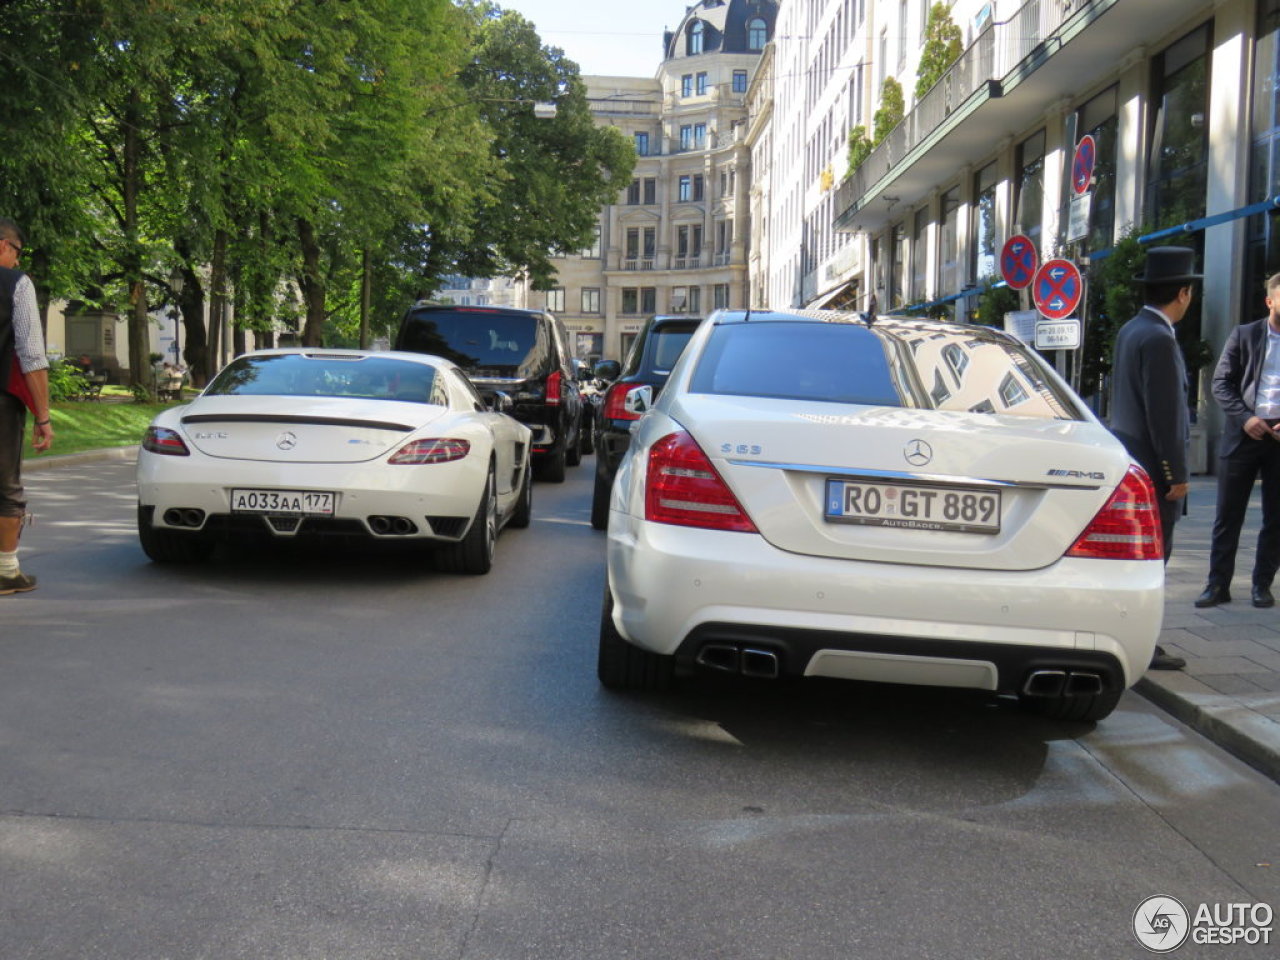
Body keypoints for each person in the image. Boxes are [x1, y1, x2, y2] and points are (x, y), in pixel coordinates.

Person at [1109, 246, 1202, 670]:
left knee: (1137, 560)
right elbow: (1164, 415)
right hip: (1154, 470)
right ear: (1183, 293)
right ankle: (1144, 644)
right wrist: (1175, 474)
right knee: (1153, 560)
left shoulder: (1133, 329)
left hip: (1134, 461)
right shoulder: (1160, 338)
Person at [1194, 272, 1280, 609]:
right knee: (1228, 515)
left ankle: (1262, 585)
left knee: (1276, 517)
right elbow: (1221, 384)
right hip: (1244, 433)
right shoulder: (1245, 335)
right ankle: (1217, 585)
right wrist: (1247, 419)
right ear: (1270, 301)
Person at [0, 217, 53, 594]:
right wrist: (43, 416)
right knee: (5, 487)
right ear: (4, 245)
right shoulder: (16, 284)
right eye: (17, 253)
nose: (18, 262)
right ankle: (6, 571)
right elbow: (32, 355)